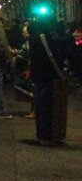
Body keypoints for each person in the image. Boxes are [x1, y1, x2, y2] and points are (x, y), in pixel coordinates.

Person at [29, 17, 69, 145]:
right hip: (48, 76)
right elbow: (51, 56)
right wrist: (60, 74)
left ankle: (44, 134)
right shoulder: (43, 37)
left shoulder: (33, 38)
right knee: (48, 106)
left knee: (41, 105)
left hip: (38, 75)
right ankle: (46, 135)